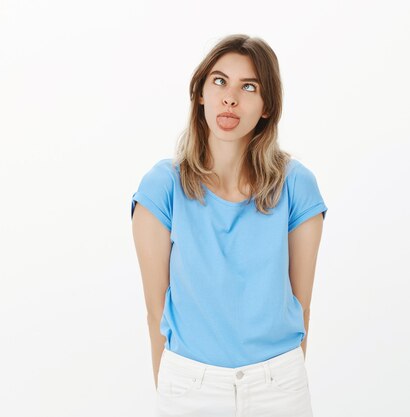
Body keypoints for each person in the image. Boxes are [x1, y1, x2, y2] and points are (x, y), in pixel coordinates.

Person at [130, 34, 327, 417]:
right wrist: (174, 389)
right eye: (219, 81)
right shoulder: (162, 187)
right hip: (190, 386)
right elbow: (156, 312)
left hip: (278, 387)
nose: (230, 98)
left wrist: (277, 379)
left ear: (267, 105)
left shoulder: (297, 186)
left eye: (248, 87)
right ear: (200, 93)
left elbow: (301, 307)